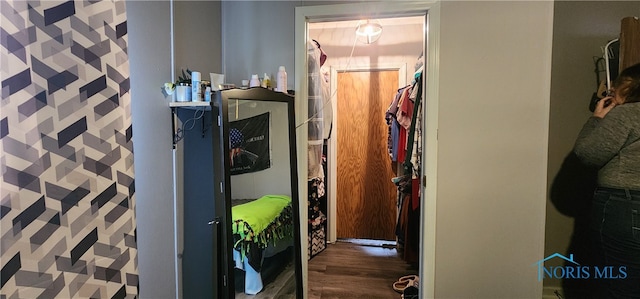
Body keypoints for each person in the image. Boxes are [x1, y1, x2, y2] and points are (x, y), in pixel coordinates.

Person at [573, 62, 640, 298]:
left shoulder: (628, 114)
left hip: (625, 205)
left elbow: (587, 153)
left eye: (618, 85)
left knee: (620, 288)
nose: (612, 90)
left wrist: (597, 118)